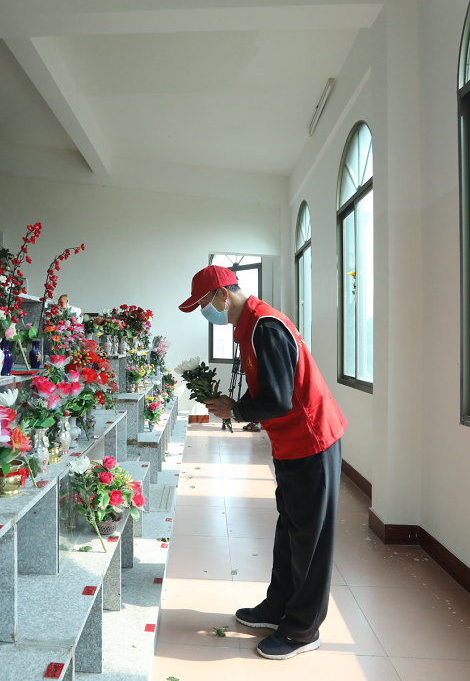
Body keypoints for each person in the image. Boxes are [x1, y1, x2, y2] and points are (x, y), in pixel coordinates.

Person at [179, 264, 347, 660]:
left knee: (311, 539)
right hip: (291, 444)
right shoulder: (249, 326)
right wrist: (236, 409)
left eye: (205, 304)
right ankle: (278, 607)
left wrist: (235, 411)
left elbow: (279, 399)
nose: (206, 312)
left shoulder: (265, 327)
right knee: (290, 529)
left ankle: (303, 629)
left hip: (312, 440)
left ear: (223, 295)